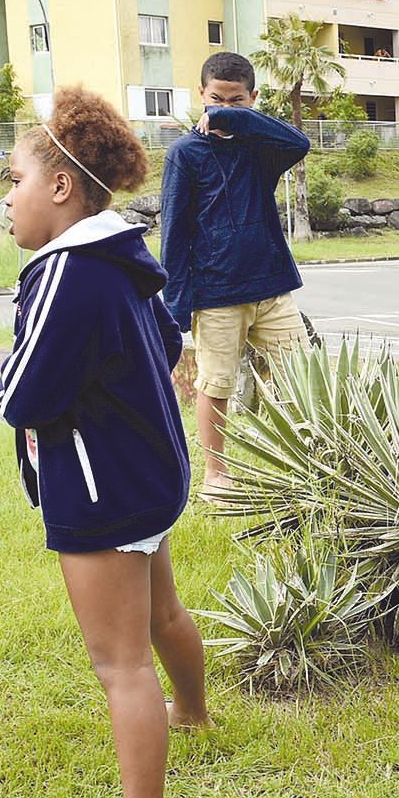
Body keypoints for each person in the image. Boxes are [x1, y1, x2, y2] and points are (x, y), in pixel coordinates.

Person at [0, 86, 212, 798]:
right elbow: (163, 337)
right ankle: (192, 710)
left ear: (59, 186)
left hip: (100, 485)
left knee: (119, 662)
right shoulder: (123, 255)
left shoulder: (63, 272)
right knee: (162, 613)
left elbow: (26, 394)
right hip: (149, 472)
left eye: (12, 178)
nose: (6, 197)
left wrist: (5, 400)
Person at [159, 53, 311, 499]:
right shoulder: (185, 153)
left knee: (305, 377)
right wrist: (176, 307)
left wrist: (238, 121)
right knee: (217, 384)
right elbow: (174, 233)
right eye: (215, 99)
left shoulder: (259, 148)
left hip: (272, 287)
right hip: (216, 292)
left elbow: (298, 143)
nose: (222, 107)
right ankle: (216, 475)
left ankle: (310, 464)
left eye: (235, 100)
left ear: (253, 99)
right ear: (200, 95)